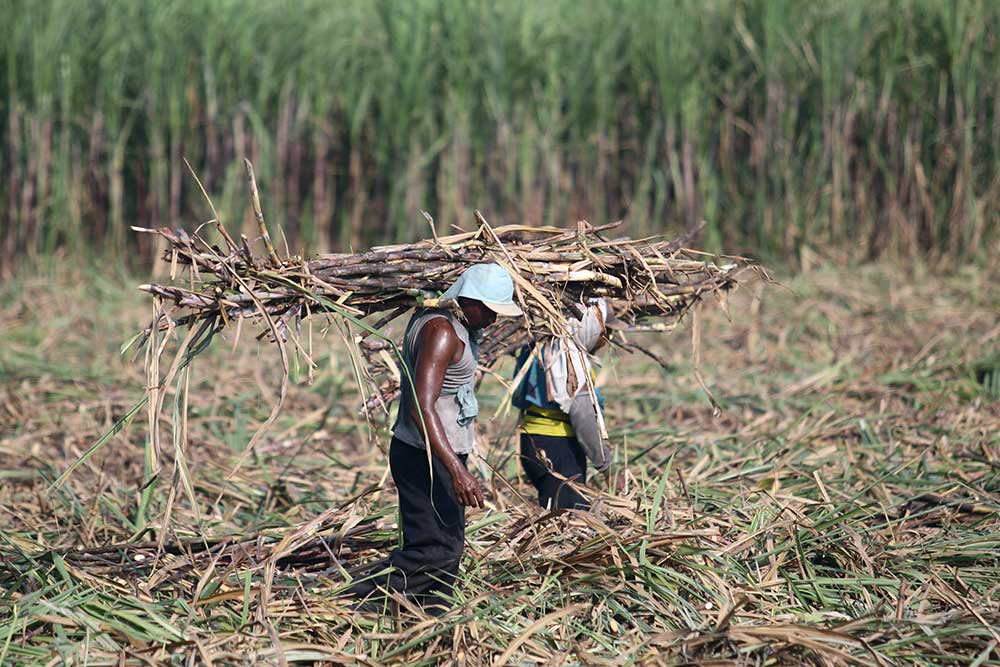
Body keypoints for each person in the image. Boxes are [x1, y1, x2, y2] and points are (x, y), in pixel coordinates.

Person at [350, 262, 521, 612]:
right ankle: (363, 599)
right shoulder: (442, 332)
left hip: (431, 451)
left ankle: (431, 616)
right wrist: (456, 472)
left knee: (443, 544)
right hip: (425, 454)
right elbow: (421, 406)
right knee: (436, 550)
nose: (493, 319)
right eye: (489, 310)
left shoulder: (447, 322)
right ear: (468, 299)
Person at [511, 298, 624, 511]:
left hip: (536, 443)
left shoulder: (545, 349)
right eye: (604, 331)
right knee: (570, 519)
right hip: (555, 448)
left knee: (560, 516)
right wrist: (607, 466)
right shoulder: (569, 360)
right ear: (589, 328)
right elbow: (583, 417)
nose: (606, 339)